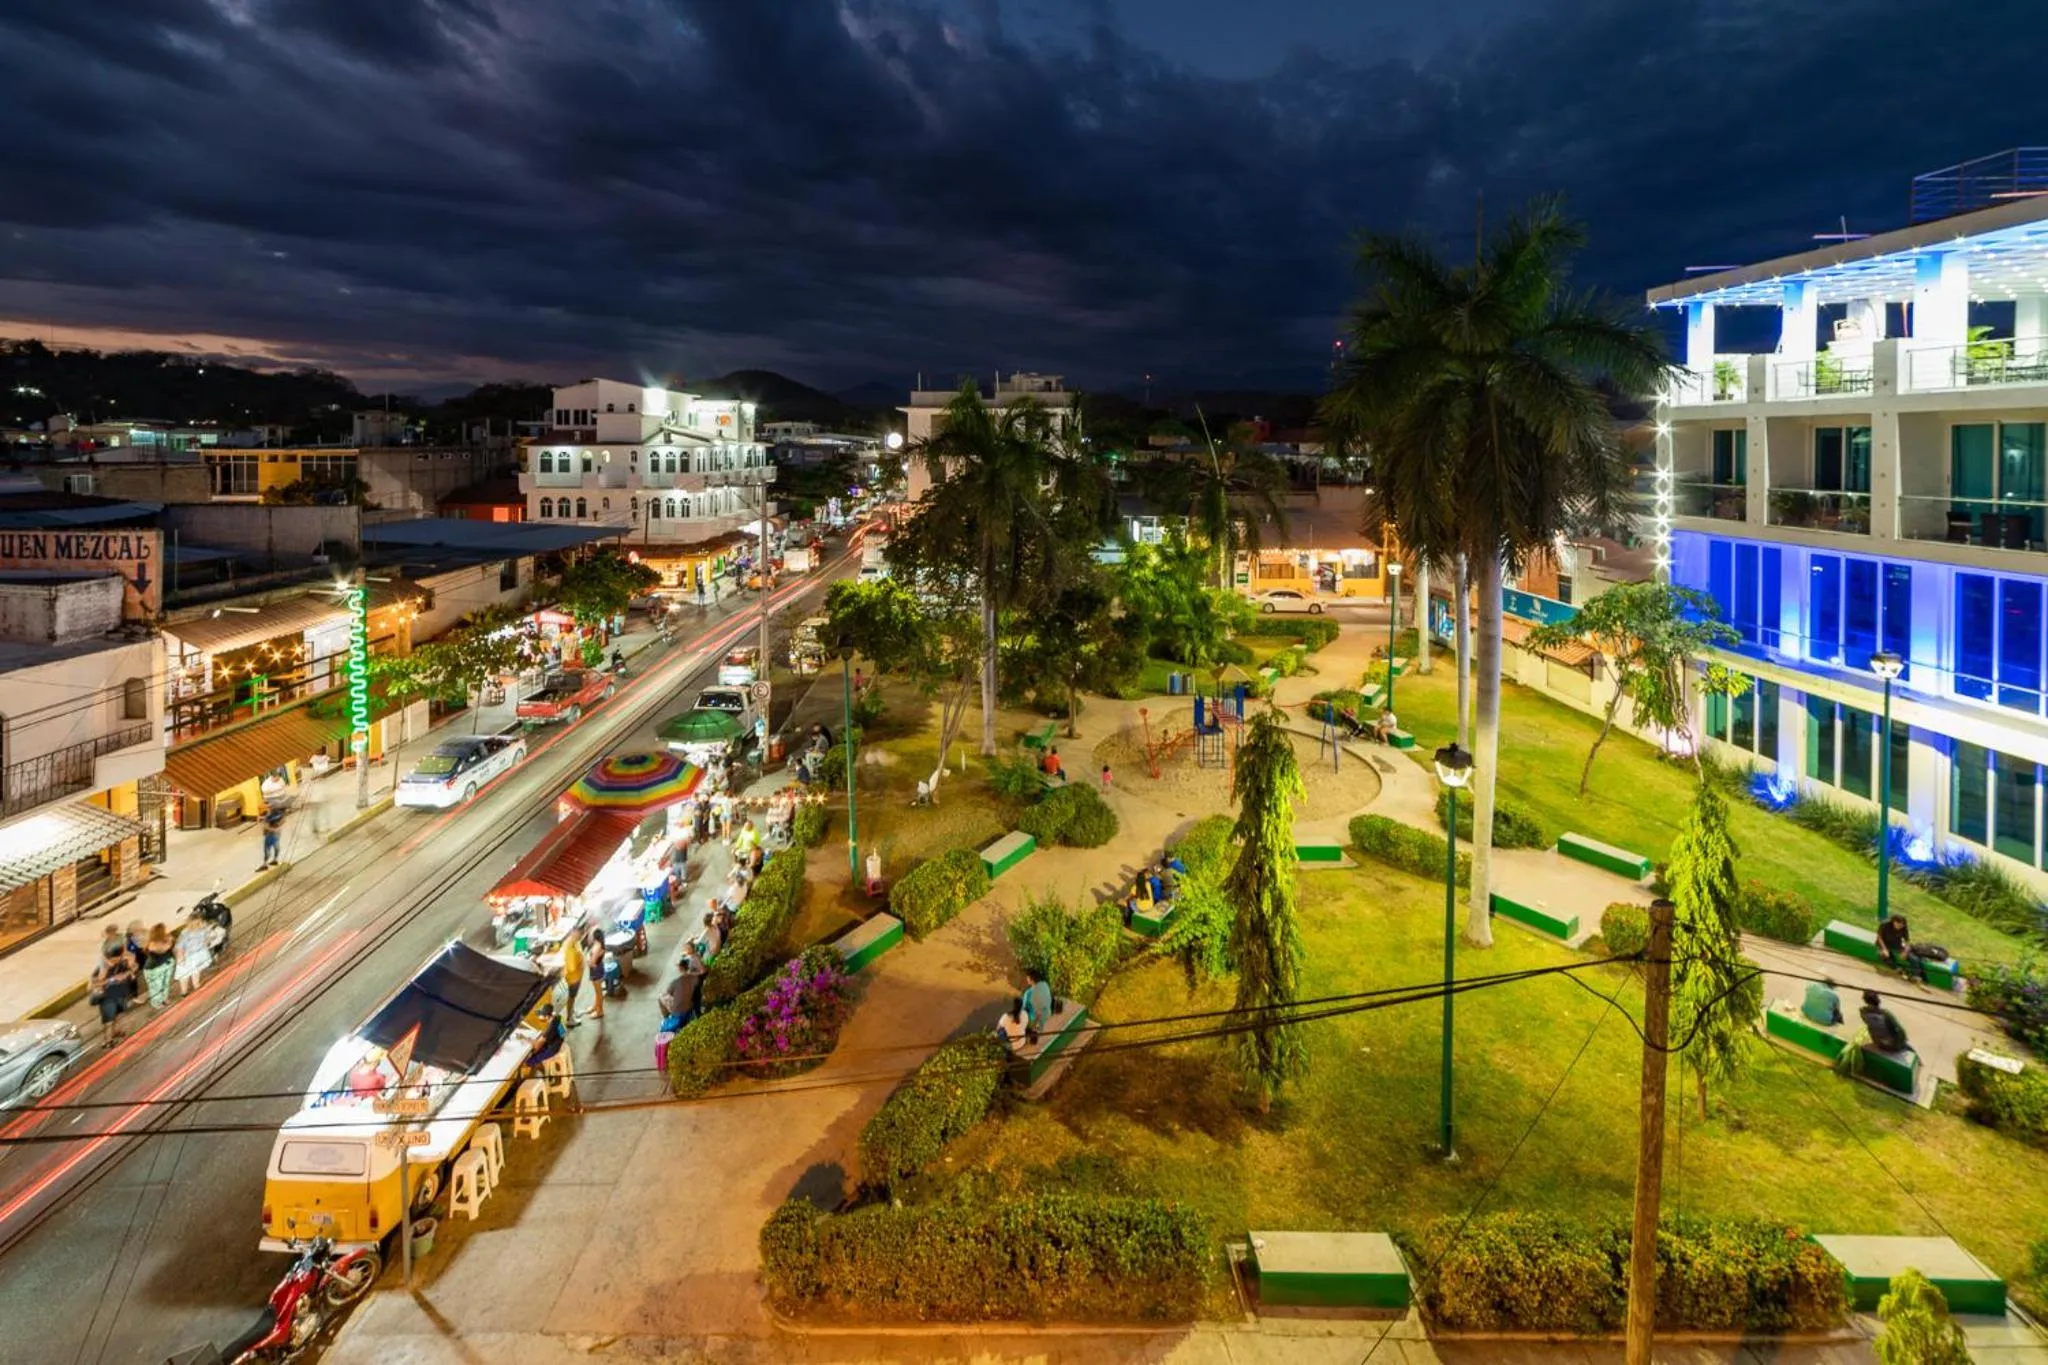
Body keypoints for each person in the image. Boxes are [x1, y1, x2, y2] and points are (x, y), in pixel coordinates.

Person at [89, 942, 136, 1046]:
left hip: (120, 992)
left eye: (116, 959)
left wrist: (127, 974)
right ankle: (107, 1040)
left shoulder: (122, 963)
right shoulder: (101, 968)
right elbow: (95, 983)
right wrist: (112, 979)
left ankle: (117, 1031)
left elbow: (130, 972)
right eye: (112, 960)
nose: (113, 962)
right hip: (107, 997)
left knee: (118, 1015)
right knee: (108, 1019)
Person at [173, 913, 214, 997]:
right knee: (192, 972)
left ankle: (186, 990)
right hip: (194, 956)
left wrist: (180, 958)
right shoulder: (199, 930)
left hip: (191, 956)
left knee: (188, 974)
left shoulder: (188, 932)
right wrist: (180, 957)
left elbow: (180, 947)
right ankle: (192, 987)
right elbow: (207, 941)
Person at [1859, 989, 1911, 1055]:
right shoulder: (1886, 1014)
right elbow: (1899, 1031)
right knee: (1904, 1042)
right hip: (1892, 1046)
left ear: (1864, 1000)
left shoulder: (1863, 1012)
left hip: (1878, 1043)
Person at [139, 923, 176, 1009]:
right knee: (156, 987)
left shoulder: (165, 939)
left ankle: (165, 998)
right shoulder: (153, 943)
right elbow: (165, 948)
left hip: (166, 964)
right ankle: (157, 1003)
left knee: (166, 983)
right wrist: (169, 939)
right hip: (154, 969)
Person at [557, 928, 586, 1028]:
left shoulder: (574, 942)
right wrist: (580, 961)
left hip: (577, 976)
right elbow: (571, 967)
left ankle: (573, 1011)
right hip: (573, 978)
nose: (580, 934)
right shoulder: (570, 948)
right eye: (578, 932)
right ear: (572, 933)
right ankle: (569, 1018)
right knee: (571, 997)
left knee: (573, 997)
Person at [528, 1004, 567, 1068]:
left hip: (553, 1049)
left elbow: (537, 1045)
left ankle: (543, 1069)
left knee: (529, 1061)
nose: (539, 1016)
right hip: (559, 1042)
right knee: (535, 1053)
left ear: (547, 1016)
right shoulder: (557, 1017)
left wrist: (527, 1039)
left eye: (541, 1015)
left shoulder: (550, 1028)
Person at [1020, 967, 1054, 1041]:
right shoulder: (1045, 985)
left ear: (1031, 979)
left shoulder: (1028, 993)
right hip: (1048, 1013)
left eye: (1027, 978)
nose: (1026, 979)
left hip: (1036, 1021)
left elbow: (1024, 1010)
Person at [260, 805, 286, 869]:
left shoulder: (269, 817)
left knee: (270, 848)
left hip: (272, 835)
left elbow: (266, 827)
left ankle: (267, 863)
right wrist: (276, 828)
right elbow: (283, 821)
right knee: (275, 847)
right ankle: (272, 861)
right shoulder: (278, 815)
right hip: (274, 835)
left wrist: (273, 829)